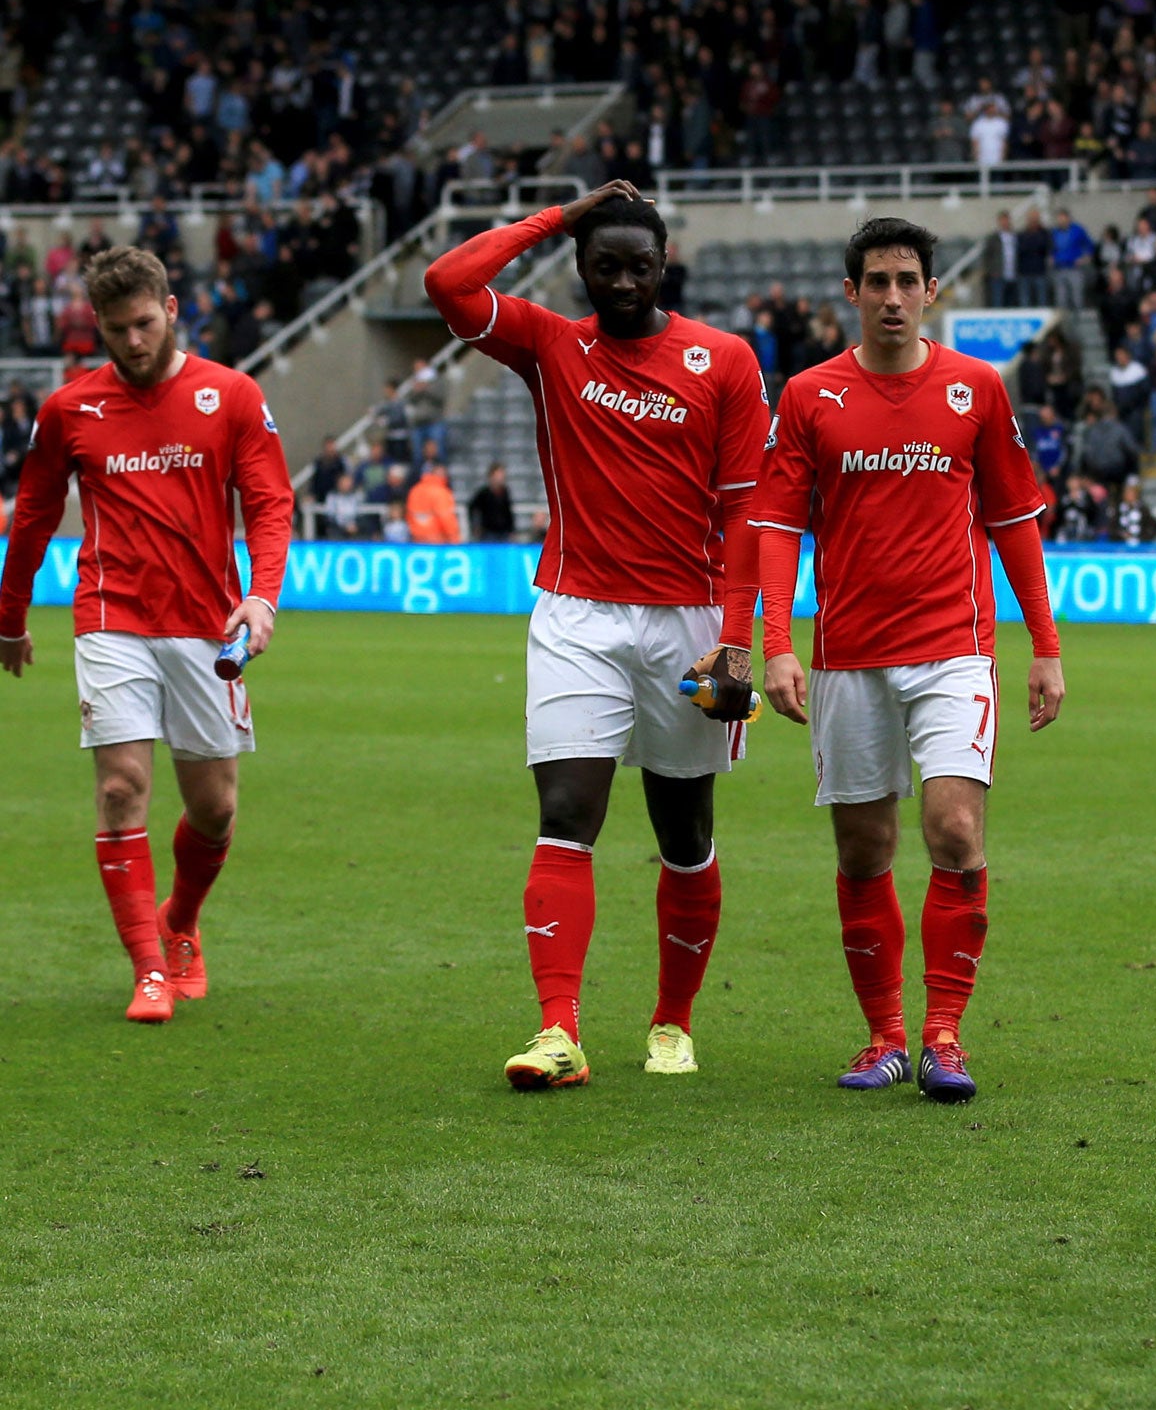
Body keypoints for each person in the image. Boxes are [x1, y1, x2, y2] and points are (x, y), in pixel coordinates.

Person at [423, 179, 770, 1092]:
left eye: (638, 266)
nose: (621, 283)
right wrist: (557, 216)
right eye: (602, 265)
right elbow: (448, 283)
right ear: (579, 266)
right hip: (576, 614)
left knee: (683, 831)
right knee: (567, 816)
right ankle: (557, 1030)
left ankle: (672, 1023)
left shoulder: (725, 360)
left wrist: (739, 642)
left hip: (690, 624)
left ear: (666, 267)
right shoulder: (548, 345)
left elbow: (747, 517)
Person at [750, 217, 1065, 1105]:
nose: (893, 297)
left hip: (952, 652)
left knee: (955, 831)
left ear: (932, 291)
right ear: (850, 294)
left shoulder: (976, 388)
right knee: (863, 848)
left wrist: (1045, 647)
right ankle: (885, 1035)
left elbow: (1013, 522)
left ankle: (943, 1036)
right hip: (847, 655)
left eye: (907, 281)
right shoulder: (810, 396)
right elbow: (775, 525)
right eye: (877, 282)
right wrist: (777, 644)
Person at [0, 247, 293, 1023]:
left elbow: (269, 503)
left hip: (207, 623)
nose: (131, 342)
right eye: (114, 328)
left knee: (216, 809)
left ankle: (180, 923)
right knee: (121, 788)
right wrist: (9, 618)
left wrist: (262, 596)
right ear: (94, 324)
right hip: (111, 615)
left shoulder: (230, 395)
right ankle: (148, 970)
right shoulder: (69, 409)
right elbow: (31, 517)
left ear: (170, 310)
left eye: (142, 324)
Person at [469, 463, 517, 541]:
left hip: (503, 532)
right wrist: (475, 526)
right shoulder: (484, 493)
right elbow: (472, 508)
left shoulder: (505, 492)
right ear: (491, 476)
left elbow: (508, 512)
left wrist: (511, 530)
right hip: (488, 533)